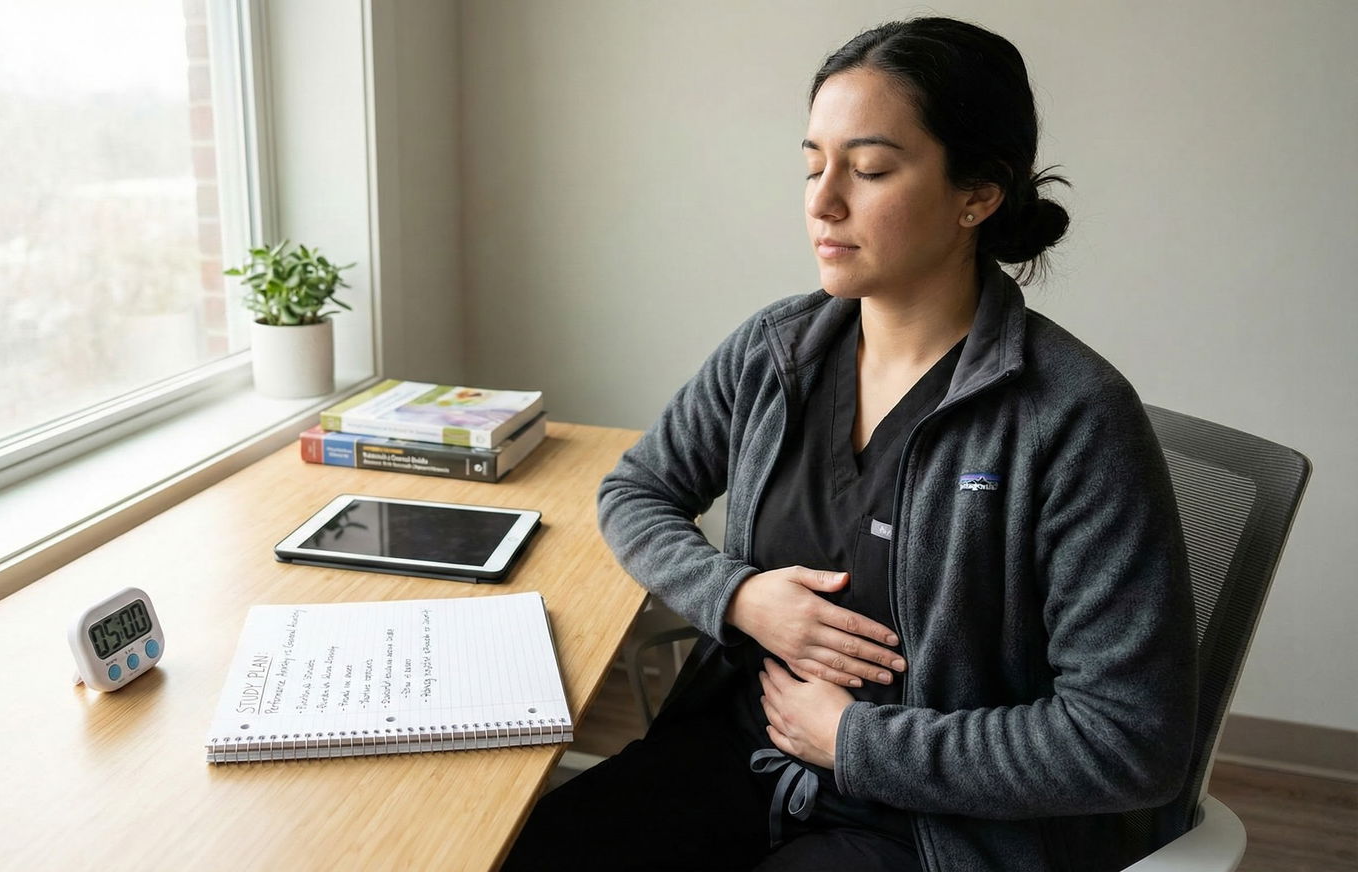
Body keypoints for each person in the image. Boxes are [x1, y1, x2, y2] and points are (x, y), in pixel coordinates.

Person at [501, 16, 1197, 872]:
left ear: (976, 195)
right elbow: (634, 492)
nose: (823, 200)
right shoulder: (775, 352)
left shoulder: (1073, 418)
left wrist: (856, 741)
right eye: (812, 164)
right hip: (739, 759)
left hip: (925, 828)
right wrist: (739, 595)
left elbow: (1129, 740)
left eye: (869, 170)